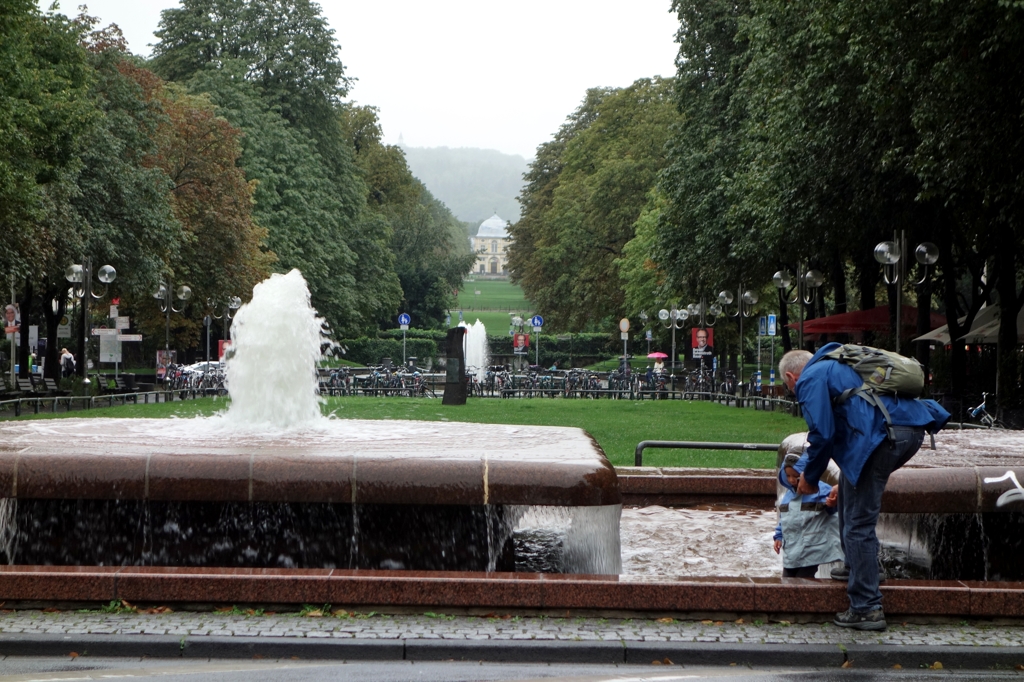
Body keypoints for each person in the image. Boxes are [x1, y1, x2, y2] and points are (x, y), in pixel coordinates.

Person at [780, 346, 949, 631]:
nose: (793, 394)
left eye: (788, 389)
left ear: (791, 377)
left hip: (884, 437)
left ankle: (866, 606)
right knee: (849, 486)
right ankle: (857, 566)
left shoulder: (809, 379)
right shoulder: (836, 364)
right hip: (909, 429)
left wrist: (809, 477)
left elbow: (823, 433)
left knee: (859, 523)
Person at [773, 452, 843, 578]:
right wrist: (778, 536)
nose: (791, 480)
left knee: (804, 579)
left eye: (795, 476)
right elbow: (785, 518)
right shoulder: (789, 496)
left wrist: (833, 504)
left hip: (812, 549)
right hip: (793, 550)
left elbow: (835, 513)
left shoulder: (821, 490)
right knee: (787, 579)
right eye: (788, 476)